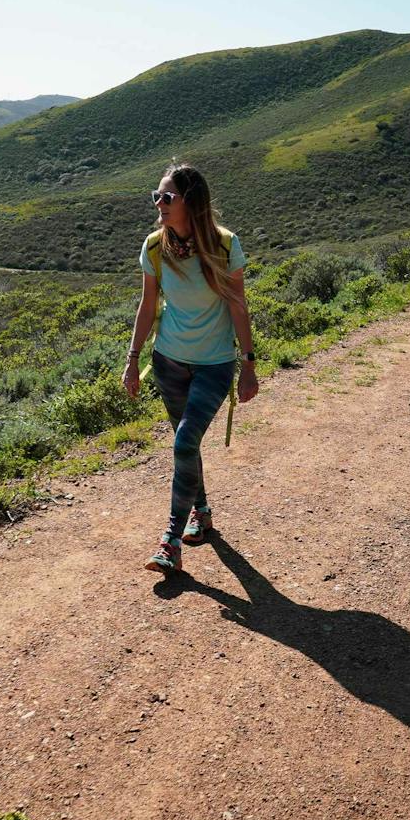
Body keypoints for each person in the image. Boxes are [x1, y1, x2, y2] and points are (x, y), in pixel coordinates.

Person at [122, 162, 259, 573]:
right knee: (188, 444)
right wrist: (132, 361)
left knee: (183, 443)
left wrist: (249, 364)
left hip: (214, 364)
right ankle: (202, 512)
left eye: (168, 197)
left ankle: (170, 542)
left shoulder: (223, 245)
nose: (159, 204)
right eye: (156, 196)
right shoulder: (153, 248)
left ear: (191, 202)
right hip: (168, 363)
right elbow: (148, 306)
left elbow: (237, 304)